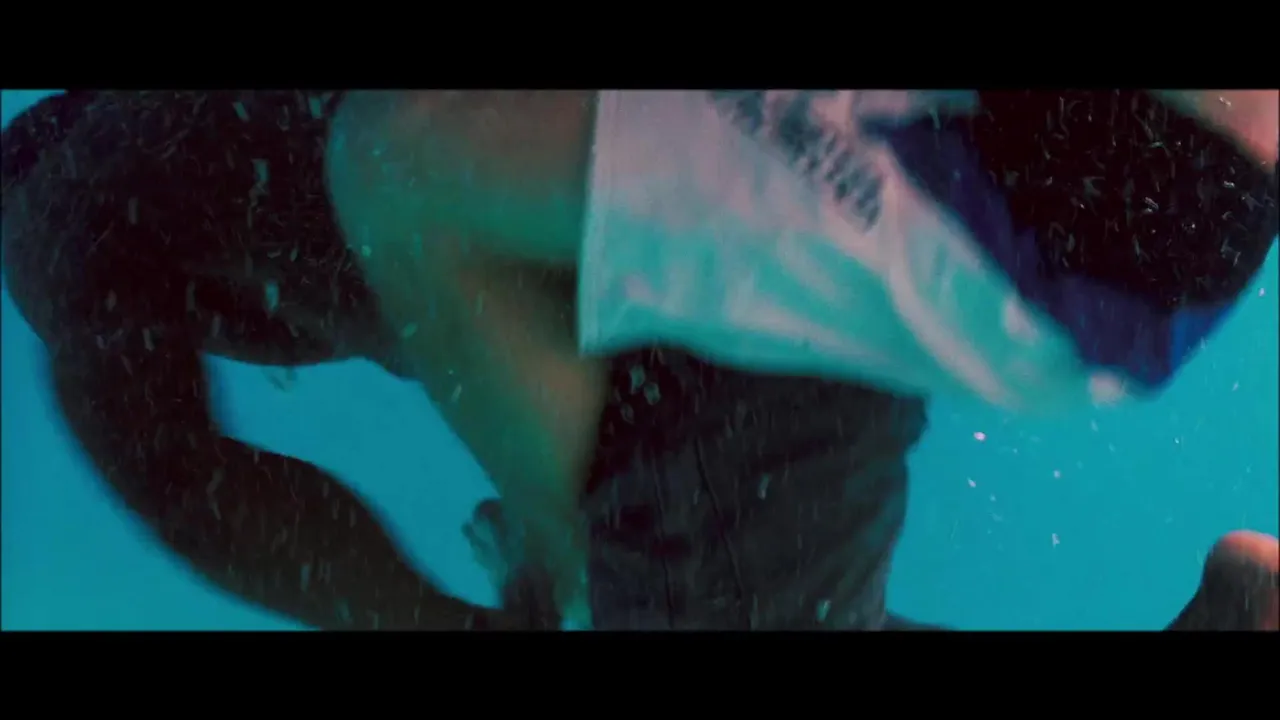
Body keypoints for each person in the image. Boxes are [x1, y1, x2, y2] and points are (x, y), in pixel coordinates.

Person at [2, 90, 1275, 630]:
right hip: (718, 212)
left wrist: (438, 622)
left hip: (676, 288)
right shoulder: (185, 134)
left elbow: (183, 481)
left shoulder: (63, 214)